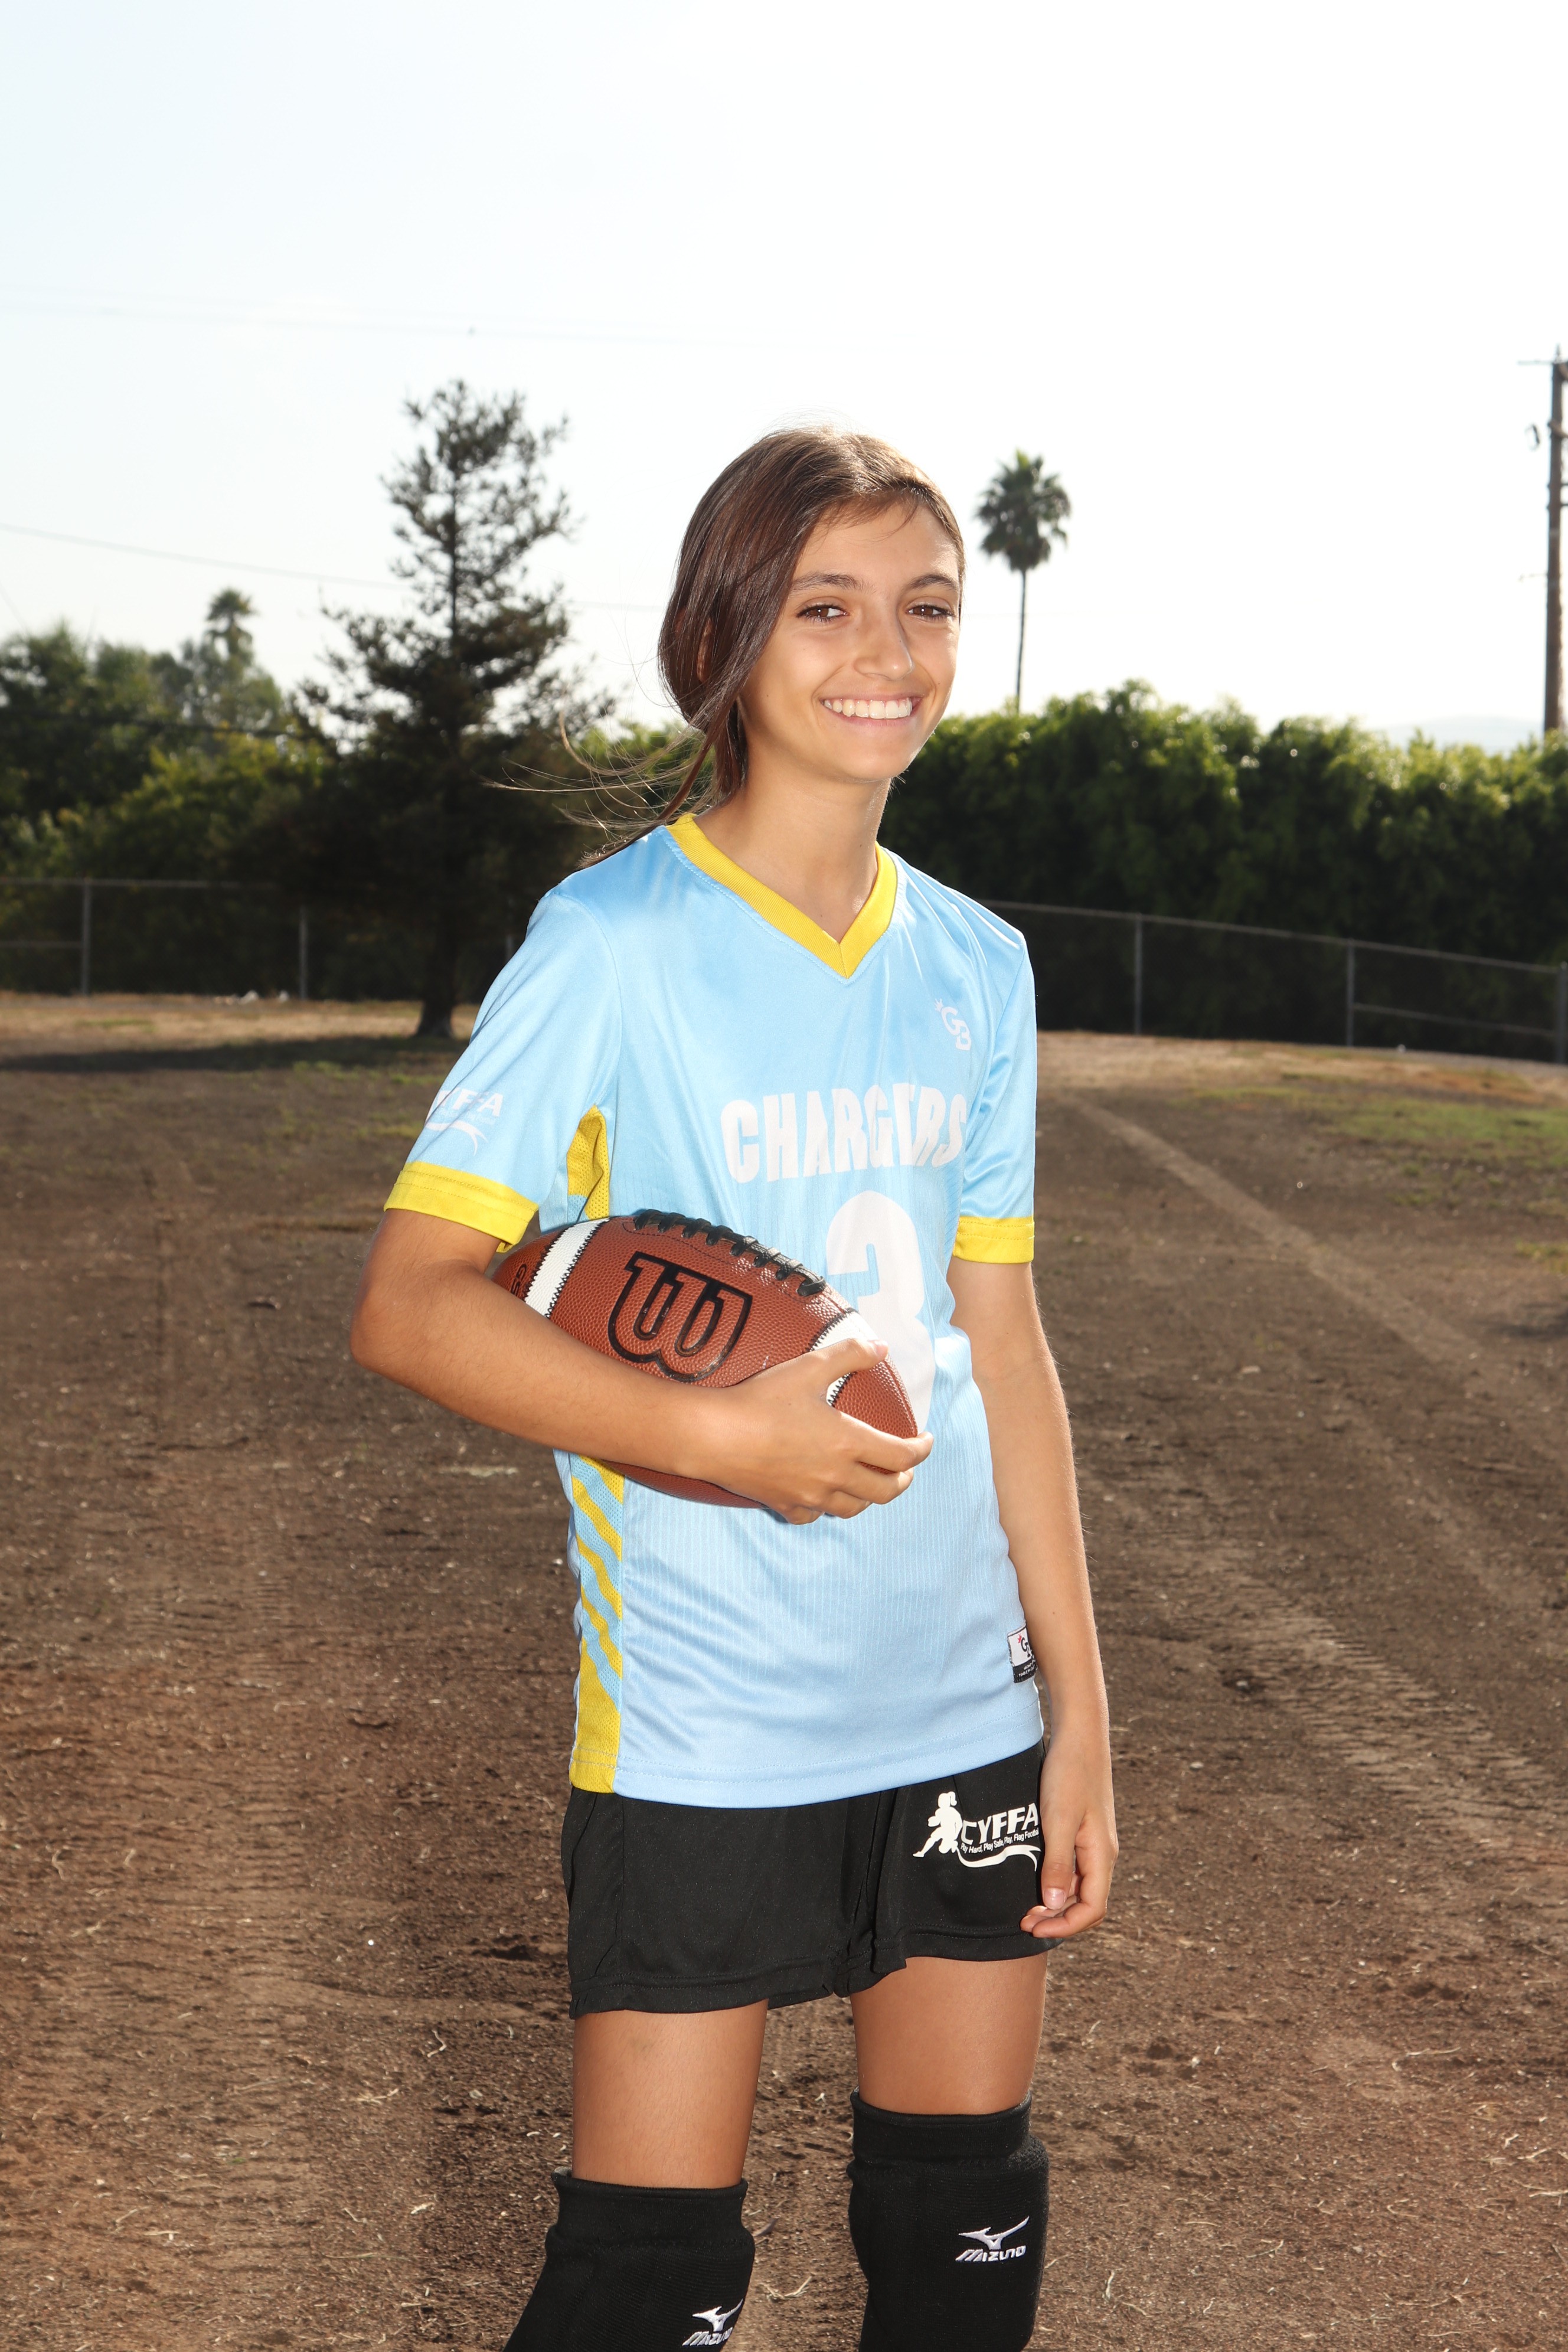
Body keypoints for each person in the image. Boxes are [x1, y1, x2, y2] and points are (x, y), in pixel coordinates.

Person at [350, 427, 1117, 2352]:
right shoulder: (615, 943)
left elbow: (1003, 1343)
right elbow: (413, 1305)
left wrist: (1081, 1714)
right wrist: (721, 1439)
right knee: (650, 2285)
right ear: (728, 636)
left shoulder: (979, 965)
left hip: (961, 1707)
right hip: (708, 1721)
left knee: (965, 2246)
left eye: (927, 607)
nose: (889, 652)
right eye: (826, 606)